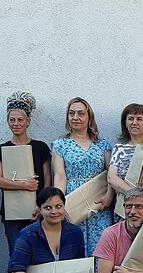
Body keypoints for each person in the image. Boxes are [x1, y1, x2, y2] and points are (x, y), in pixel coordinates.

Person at [0, 91, 52, 258]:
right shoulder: (1, 149)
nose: (16, 123)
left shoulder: (41, 148)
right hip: (12, 213)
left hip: (38, 210)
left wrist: (43, 206)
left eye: (20, 120)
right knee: (16, 251)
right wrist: (24, 185)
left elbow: (48, 182)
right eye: (12, 120)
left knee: (40, 251)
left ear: (28, 122)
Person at [52, 97, 114, 256]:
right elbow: (60, 176)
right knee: (74, 245)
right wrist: (59, 203)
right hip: (73, 202)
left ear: (89, 117)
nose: (75, 117)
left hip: (99, 203)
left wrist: (109, 196)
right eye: (71, 113)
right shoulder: (60, 144)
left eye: (80, 113)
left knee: (101, 246)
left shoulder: (102, 144)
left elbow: (111, 175)